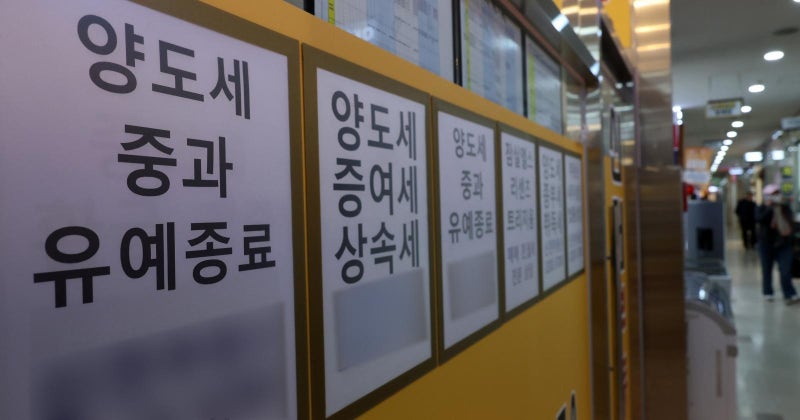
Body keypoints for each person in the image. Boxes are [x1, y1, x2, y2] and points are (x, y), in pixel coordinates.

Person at [755, 184, 800, 304]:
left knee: (786, 270)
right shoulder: (762, 207)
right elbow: (759, 219)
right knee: (767, 269)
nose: (776, 196)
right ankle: (768, 292)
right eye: (773, 194)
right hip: (766, 244)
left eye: (777, 194)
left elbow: (791, 222)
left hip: (783, 243)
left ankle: (789, 293)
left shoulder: (785, 207)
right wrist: (770, 208)